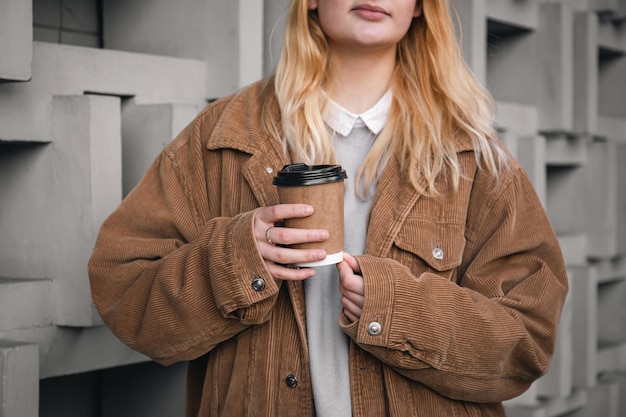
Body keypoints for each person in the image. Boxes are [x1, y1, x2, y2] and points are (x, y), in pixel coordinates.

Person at [88, 0, 569, 416]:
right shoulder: (223, 137)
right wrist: (235, 260)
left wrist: (397, 310)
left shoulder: (470, 156)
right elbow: (124, 294)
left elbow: (525, 340)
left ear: (420, 5)